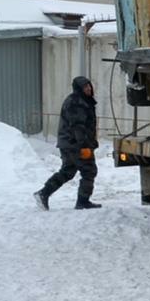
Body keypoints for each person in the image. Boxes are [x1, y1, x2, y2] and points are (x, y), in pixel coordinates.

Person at [35, 76, 102, 210]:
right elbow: (78, 126)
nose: (88, 88)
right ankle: (82, 201)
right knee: (89, 171)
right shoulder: (76, 102)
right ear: (78, 89)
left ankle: (43, 193)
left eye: (89, 85)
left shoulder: (82, 100)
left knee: (68, 171)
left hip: (69, 144)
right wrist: (83, 146)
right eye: (85, 87)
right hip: (75, 145)